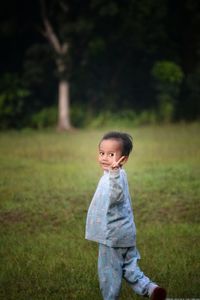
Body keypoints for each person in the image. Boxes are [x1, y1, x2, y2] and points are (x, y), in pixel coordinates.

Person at [85, 131, 167, 300]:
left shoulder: (115, 176)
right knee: (129, 267)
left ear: (124, 159)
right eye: (102, 153)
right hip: (125, 233)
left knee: (109, 272)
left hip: (112, 236)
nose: (104, 158)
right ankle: (150, 289)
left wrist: (114, 173)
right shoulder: (113, 175)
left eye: (111, 154)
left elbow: (116, 196)